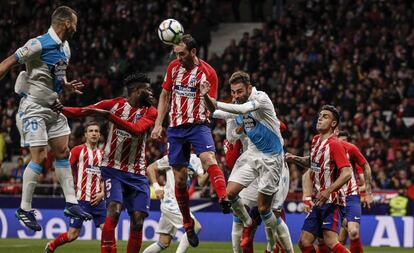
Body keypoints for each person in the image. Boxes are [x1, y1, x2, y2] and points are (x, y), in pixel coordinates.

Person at [0, 6, 91, 231]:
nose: (77, 28)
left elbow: (58, 73)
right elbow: (8, 62)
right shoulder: (37, 44)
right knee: (39, 157)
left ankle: (71, 203)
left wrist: (66, 85)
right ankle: (24, 208)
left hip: (53, 106)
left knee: (62, 151)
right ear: (66, 23)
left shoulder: (66, 48)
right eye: (75, 24)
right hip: (33, 108)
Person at [63, 73, 157, 253]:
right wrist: (60, 109)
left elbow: (137, 130)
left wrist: (108, 116)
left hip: (137, 172)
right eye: (147, 88)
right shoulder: (115, 104)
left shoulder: (150, 111)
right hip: (112, 169)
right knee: (113, 210)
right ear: (136, 91)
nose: (151, 92)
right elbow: (85, 110)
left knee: (137, 221)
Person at [151, 34, 230, 247]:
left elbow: (213, 108)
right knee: (179, 180)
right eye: (176, 53)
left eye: (182, 54)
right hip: (176, 128)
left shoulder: (209, 73)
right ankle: (187, 224)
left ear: (193, 52)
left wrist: (204, 95)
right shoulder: (173, 68)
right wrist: (159, 123)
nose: (178, 58)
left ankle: (223, 197)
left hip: (198, 125)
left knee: (208, 158)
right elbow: (164, 96)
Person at [201, 71, 286, 252]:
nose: (236, 96)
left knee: (264, 209)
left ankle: (272, 244)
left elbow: (244, 110)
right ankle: (247, 220)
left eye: (239, 92)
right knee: (229, 193)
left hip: (272, 157)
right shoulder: (236, 104)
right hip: (252, 153)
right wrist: (205, 96)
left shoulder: (261, 98)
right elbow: (214, 112)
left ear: (249, 87)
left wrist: (216, 102)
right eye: (233, 92)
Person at [285, 105, 352, 253]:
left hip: (332, 200)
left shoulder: (335, 144)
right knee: (304, 242)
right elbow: (313, 162)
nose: (320, 118)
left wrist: (328, 190)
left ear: (333, 124)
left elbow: (347, 173)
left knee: (330, 241)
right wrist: (294, 158)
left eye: (325, 116)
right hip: (319, 200)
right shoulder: (316, 140)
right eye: (320, 115)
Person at [45, 122, 105, 253]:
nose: (94, 133)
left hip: (98, 200)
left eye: (96, 131)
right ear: (85, 135)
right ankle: (51, 245)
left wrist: (102, 193)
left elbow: (107, 177)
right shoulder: (78, 150)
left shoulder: (103, 155)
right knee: (73, 235)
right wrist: (69, 193)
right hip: (80, 200)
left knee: (107, 231)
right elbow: (64, 169)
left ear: (99, 134)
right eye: (91, 131)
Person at [143, 153, 209, 253]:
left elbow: (201, 182)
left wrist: (211, 169)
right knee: (196, 227)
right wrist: (156, 188)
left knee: (163, 242)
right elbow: (150, 168)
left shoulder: (195, 160)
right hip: (171, 203)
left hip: (180, 203)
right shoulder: (172, 156)